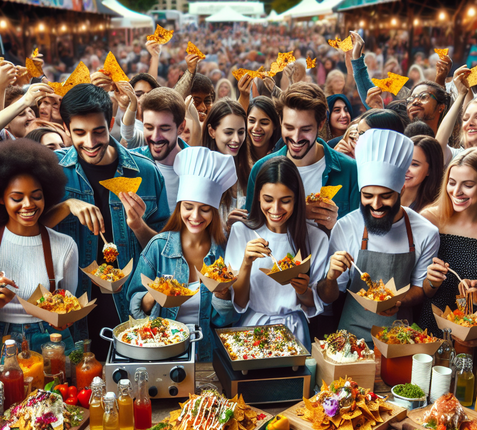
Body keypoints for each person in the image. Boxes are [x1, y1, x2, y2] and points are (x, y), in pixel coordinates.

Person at [47, 84, 170, 359]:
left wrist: (138, 225)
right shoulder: (52, 171)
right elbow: (28, 230)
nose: (90, 143)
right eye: (79, 133)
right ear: (66, 129)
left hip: (134, 312)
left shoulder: (146, 173)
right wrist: (67, 205)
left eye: (98, 131)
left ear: (111, 123)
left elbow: (165, 251)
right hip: (73, 316)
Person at [318, 129, 440, 342]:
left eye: (385, 196)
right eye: (368, 196)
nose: (375, 205)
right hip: (349, 338)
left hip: (400, 338)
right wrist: (330, 277)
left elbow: (421, 288)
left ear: (401, 189)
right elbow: (328, 295)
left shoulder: (426, 232)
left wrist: (398, 301)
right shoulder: (346, 227)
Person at [127, 147, 238, 362]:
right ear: (179, 207)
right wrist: (154, 295)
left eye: (205, 209)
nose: (195, 216)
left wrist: (223, 295)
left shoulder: (222, 253)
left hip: (207, 353)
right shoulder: (158, 247)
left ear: (214, 211)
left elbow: (225, 321)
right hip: (159, 349)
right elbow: (132, 308)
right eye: (188, 207)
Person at [225, 156, 329, 351]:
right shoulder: (241, 231)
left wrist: (303, 290)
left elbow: (313, 305)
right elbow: (239, 303)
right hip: (252, 329)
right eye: (268, 199)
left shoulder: (316, 238)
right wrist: (247, 262)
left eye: (285, 201)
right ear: (257, 197)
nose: (275, 209)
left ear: (297, 199)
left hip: (294, 331)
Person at [418, 147, 477, 334]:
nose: (456, 192)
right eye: (452, 183)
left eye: (468, 185)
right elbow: (417, 287)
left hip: (475, 334)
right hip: (429, 327)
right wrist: (431, 282)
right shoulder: (430, 220)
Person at [0, 138, 78, 354]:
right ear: (1, 198)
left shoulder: (65, 246)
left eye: (36, 196)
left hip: (51, 340)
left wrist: (63, 317)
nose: (28, 205)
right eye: (17, 198)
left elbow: (68, 308)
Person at [246, 82, 359, 232]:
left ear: (321, 124)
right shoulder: (261, 169)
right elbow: (252, 231)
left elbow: (359, 237)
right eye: (289, 128)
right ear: (280, 121)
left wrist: (336, 225)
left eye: (305, 129)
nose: (296, 138)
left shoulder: (350, 170)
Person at [121, 87, 189, 213]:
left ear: (181, 127)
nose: (155, 137)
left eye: (164, 128)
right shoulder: (130, 164)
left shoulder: (198, 165)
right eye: (149, 127)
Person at [201, 99, 251, 231]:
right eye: (229, 132)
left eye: (241, 132)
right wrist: (228, 227)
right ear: (212, 131)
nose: (236, 139)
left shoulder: (249, 175)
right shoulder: (201, 176)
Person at [401, 135, 444, 212]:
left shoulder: (433, 211)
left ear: (430, 170)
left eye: (414, 164)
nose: (406, 169)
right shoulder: (382, 195)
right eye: (404, 161)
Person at [247, 96, 281, 167]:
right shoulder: (239, 154)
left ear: (275, 125)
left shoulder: (283, 154)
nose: (256, 128)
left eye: (264, 123)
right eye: (252, 121)